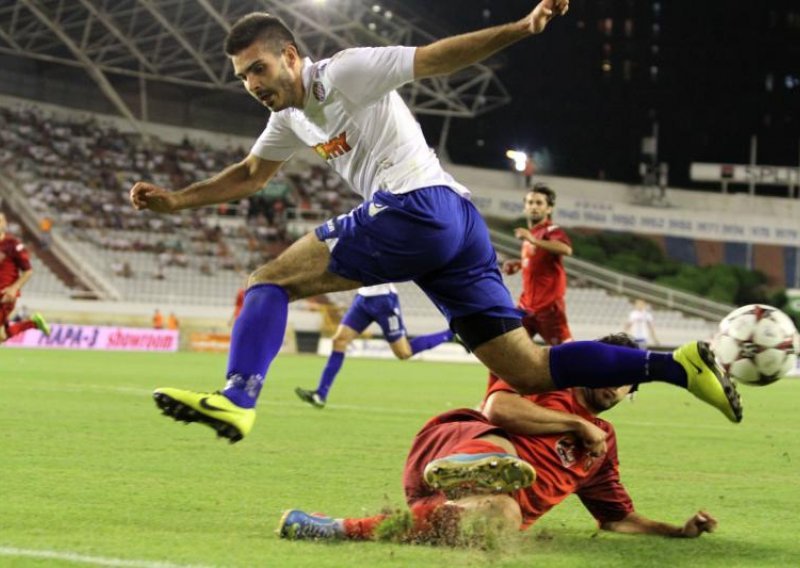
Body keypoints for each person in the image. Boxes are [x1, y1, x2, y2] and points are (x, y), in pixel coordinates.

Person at [129, 1, 740, 444]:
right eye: (242, 78)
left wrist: (523, 28)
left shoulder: (343, 72)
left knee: (270, 280)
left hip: (417, 205)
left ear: (291, 55)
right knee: (525, 369)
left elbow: (435, 59)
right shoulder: (289, 120)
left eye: (258, 69)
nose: (252, 85)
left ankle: (237, 397)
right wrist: (178, 202)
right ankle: (677, 365)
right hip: (456, 224)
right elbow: (248, 174)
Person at [279, 334, 718, 544]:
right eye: (608, 370)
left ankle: (333, 528)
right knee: (507, 459)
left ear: (630, 392)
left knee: (502, 517)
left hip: (472, 496)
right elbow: (498, 409)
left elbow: (616, 518)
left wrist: (677, 531)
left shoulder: (605, 443)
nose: (612, 382)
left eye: (623, 380)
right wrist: (576, 425)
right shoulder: (550, 380)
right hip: (454, 441)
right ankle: (476, 468)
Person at [295, 283, 457, 408]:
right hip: (363, 298)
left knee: (403, 352)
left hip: (384, 301)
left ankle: (451, 334)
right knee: (339, 341)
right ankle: (321, 394)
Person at [502, 184, 573, 346]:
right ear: (525, 207)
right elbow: (538, 259)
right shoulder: (532, 235)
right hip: (526, 308)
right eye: (530, 202)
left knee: (567, 358)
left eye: (539, 203)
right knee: (507, 350)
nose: (534, 206)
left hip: (548, 308)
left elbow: (566, 249)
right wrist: (520, 264)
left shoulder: (551, 230)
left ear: (549, 209)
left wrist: (533, 240)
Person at [0, 213, 50, 343]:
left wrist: (13, 288)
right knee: (1, 336)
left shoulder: (13, 244)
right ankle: (33, 324)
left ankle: (33, 324)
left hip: (5, 296)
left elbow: (28, 271)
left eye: (1, 221)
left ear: (4, 224)